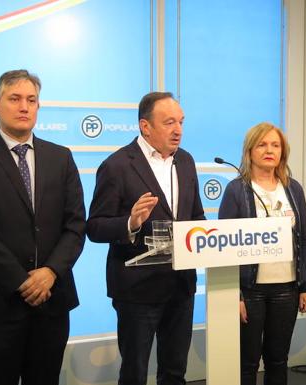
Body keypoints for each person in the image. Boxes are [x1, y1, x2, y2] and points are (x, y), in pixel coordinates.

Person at [0, 69, 86, 385]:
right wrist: (21, 281)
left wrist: (51, 272)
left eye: (31, 100)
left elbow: (76, 224)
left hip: (52, 301)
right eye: (14, 99)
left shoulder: (61, 157)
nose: (24, 107)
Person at [86, 92, 205, 385]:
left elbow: (197, 217)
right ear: (145, 126)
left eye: (181, 121)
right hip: (137, 291)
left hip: (181, 285)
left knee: (175, 371)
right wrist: (130, 222)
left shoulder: (186, 162)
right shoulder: (117, 165)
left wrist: (206, 237)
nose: (178, 129)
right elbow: (95, 227)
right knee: (134, 373)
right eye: (169, 122)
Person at [218, 122, 306, 385]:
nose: (269, 150)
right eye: (262, 144)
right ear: (249, 151)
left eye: (275, 145)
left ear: (283, 152)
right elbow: (224, 248)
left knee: (278, 359)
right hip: (250, 290)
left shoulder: (293, 189)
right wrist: (234, 294)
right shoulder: (237, 190)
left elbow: (304, 239)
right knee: (247, 362)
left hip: (286, 288)